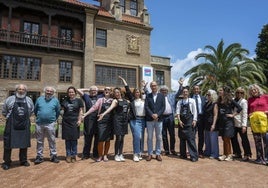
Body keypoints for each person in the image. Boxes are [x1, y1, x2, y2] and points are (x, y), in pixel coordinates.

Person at [1, 84, 34, 170]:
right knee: (8, 143)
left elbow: (31, 111)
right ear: (16, 90)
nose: (21, 91)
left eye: (23, 89)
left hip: (24, 124)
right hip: (11, 124)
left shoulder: (29, 100)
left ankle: (23, 160)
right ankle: (7, 162)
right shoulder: (10, 99)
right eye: (19, 89)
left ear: (25, 91)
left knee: (24, 143)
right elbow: (4, 111)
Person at [98, 87, 130, 162]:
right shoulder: (115, 101)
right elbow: (110, 108)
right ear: (114, 94)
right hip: (117, 121)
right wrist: (103, 114)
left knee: (122, 138)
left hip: (124, 121)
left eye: (118, 92)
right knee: (118, 138)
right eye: (115, 92)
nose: (117, 93)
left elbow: (129, 109)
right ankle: (116, 154)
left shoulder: (127, 101)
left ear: (120, 92)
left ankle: (120, 154)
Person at [82, 86, 113, 162]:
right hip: (101, 121)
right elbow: (94, 107)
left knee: (108, 140)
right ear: (103, 91)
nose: (106, 91)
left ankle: (105, 155)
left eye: (108, 90)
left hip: (109, 121)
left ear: (111, 91)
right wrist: (85, 114)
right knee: (100, 139)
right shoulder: (100, 100)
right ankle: (100, 155)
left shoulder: (113, 100)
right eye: (105, 89)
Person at [119, 76, 146, 162]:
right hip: (135, 120)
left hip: (143, 120)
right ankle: (135, 154)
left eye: (138, 92)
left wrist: (144, 87)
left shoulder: (144, 100)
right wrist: (124, 81)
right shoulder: (132, 100)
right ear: (134, 93)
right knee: (137, 136)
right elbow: (127, 90)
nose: (137, 93)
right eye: (136, 92)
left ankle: (140, 153)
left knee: (141, 137)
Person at [34, 86, 61, 164]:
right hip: (39, 123)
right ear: (45, 91)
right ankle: (39, 156)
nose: (49, 92)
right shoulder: (39, 99)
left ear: (53, 93)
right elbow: (35, 110)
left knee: (52, 140)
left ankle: (53, 156)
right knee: (39, 140)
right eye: (47, 91)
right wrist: (40, 117)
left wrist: (52, 119)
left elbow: (57, 111)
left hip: (50, 123)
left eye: (51, 91)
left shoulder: (55, 101)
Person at [217, 86, 242, 161]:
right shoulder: (219, 100)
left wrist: (233, 115)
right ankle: (225, 154)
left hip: (228, 122)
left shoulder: (230, 100)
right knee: (223, 138)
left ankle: (230, 155)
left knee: (227, 138)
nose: (219, 91)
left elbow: (240, 108)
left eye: (221, 90)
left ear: (225, 92)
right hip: (221, 122)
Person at [176, 86, 198, 162]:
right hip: (182, 122)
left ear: (188, 93)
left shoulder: (192, 101)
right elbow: (178, 112)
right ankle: (183, 154)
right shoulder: (179, 102)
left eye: (186, 92)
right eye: (184, 92)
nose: (185, 93)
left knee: (190, 139)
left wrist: (194, 120)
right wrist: (179, 121)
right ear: (182, 93)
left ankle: (194, 156)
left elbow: (195, 111)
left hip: (189, 121)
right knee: (182, 139)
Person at [61, 86, 84, 163]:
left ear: (75, 93)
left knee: (74, 139)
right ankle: (68, 155)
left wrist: (80, 120)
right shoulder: (65, 101)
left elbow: (81, 111)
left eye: (72, 92)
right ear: (68, 93)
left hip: (75, 122)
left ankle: (73, 155)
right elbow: (62, 111)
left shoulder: (79, 101)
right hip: (66, 122)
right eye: (69, 92)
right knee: (67, 140)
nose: (71, 93)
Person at [77, 86, 101, 159]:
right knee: (88, 138)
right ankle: (86, 154)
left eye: (95, 91)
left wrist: (97, 89)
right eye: (92, 90)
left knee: (97, 138)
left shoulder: (100, 96)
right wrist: (88, 89)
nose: (93, 92)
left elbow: (108, 90)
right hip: (88, 120)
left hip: (98, 119)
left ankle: (95, 153)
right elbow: (78, 89)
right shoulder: (86, 96)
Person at [145, 81, 165, 161]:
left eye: (155, 85)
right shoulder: (148, 96)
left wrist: (157, 115)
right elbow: (146, 107)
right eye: (152, 86)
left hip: (159, 120)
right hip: (150, 119)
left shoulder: (161, 96)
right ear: (150, 87)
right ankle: (150, 154)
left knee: (159, 137)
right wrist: (152, 115)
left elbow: (163, 107)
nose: (153, 87)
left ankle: (158, 153)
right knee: (149, 137)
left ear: (157, 86)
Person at [248, 84, 268, 165]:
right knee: (257, 141)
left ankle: (266, 158)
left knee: (267, 140)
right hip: (255, 123)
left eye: (255, 89)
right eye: (252, 90)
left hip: (265, 122)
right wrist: (249, 114)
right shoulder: (250, 99)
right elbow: (249, 110)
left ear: (258, 89)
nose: (253, 91)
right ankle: (259, 158)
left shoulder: (265, 97)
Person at [231, 87, 252, 161]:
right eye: (238, 92)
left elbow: (245, 114)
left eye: (241, 93)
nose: (239, 94)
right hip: (233, 123)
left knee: (244, 139)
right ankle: (237, 153)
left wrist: (244, 125)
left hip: (241, 124)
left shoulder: (244, 101)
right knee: (233, 139)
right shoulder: (233, 100)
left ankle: (247, 154)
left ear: (243, 94)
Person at [159, 85, 181, 156]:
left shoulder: (172, 95)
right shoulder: (158, 97)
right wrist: (145, 88)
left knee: (172, 134)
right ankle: (166, 150)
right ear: (160, 91)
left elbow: (179, 92)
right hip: (162, 117)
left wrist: (180, 85)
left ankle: (172, 149)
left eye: (165, 90)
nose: (164, 91)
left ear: (167, 91)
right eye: (162, 90)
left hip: (171, 116)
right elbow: (149, 95)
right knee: (164, 134)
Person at [203, 89, 219, 159]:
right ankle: (208, 151)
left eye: (209, 95)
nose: (207, 96)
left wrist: (213, 124)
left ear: (212, 96)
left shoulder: (214, 104)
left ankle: (214, 153)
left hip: (212, 123)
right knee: (207, 139)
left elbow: (215, 115)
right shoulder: (207, 103)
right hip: (206, 123)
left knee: (213, 140)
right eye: (207, 95)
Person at [191, 85, 206, 158]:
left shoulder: (203, 98)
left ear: (199, 90)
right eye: (195, 89)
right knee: (192, 135)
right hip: (193, 118)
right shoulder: (190, 98)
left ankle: (200, 151)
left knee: (201, 135)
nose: (196, 90)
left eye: (197, 89)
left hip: (201, 118)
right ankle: (192, 151)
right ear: (193, 90)